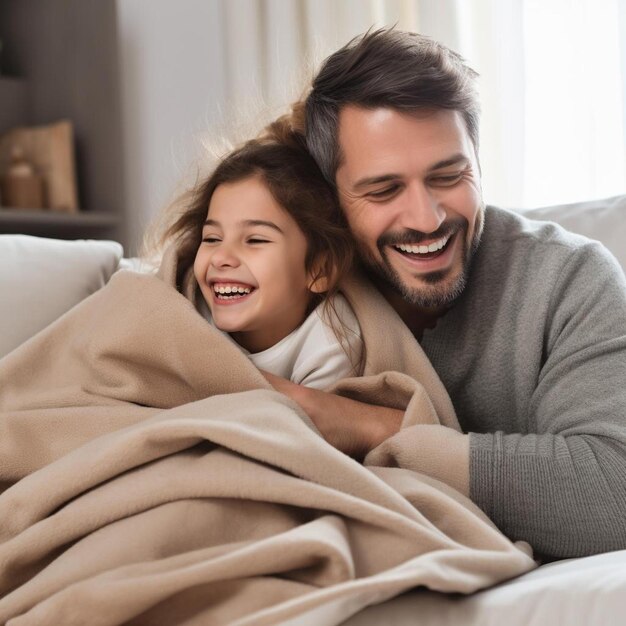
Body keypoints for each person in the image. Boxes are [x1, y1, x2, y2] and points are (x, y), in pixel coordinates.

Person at [264, 28, 626, 560]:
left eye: (449, 175)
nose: (426, 219)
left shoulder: (571, 279)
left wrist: (376, 429)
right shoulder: (280, 275)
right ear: (330, 195)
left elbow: (615, 495)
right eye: (384, 190)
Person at [158, 129, 362, 390]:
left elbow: (304, 423)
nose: (221, 257)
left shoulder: (332, 342)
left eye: (255, 240)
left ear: (319, 270)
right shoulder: (188, 312)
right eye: (211, 238)